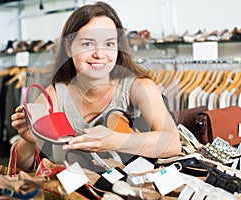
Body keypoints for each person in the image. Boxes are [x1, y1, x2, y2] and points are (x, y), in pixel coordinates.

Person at [11, 1, 181, 170]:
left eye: (109, 44)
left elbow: (173, 144)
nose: (99, 54)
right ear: (69, 48)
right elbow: (21, 167)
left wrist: (114, 140)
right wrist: (28, 142)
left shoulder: (138, 87)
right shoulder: (54, 95)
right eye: (87, 44)